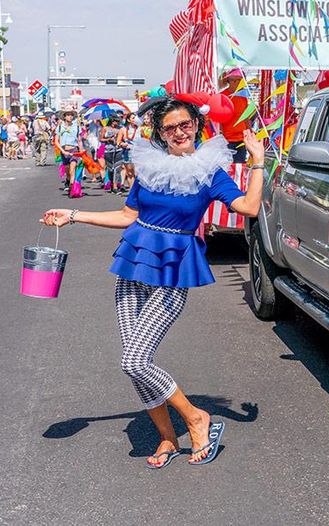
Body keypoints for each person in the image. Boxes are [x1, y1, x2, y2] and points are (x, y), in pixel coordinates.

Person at [41, 99, 265, 468]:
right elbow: (128, 216)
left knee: (134, 359)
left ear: (196, 125)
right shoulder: (149, 168)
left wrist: (257, 161)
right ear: (159, 133)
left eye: (184, 125)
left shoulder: (209, 171)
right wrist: (73, 214)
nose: (179, 133)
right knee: (135, 363)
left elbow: (249, 207)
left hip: (173, 269)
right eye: (169, 128)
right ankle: (166, 438)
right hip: (133, 266)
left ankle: (196, 418)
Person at [53, 111, 83, 190]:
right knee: (68, 170)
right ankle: (68, 180)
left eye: (72, 115)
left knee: (72, 169)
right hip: (64, 151)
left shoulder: (76, 127)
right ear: (64, 117)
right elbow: (56, 141)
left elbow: (79, 140)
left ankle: (72, 187)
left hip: (74, 150)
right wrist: (62, 151)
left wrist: (82, 152)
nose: (70, 117)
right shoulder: (60, 127)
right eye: (68, 115)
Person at [116, 114, 141, 192]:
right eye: (133, 118)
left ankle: (138, 192)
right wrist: (123, 144)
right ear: (128, 120)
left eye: (136, 118)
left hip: (139, 153)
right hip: (127, 153)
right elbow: (118, 142)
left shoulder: (140, 129)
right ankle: (132, 192)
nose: (135, 119)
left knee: (138, 174)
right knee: (130, 174)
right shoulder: (123, 129)